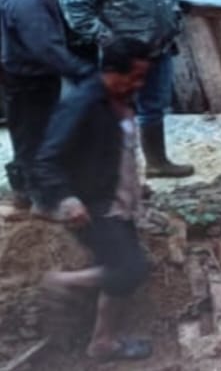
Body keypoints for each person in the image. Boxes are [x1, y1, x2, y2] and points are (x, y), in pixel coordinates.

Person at [32, 36, 155, 361]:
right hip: (94, 205)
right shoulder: (83, 103)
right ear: (112, 72)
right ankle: (62, 282)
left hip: (120, 200)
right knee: (130, 269)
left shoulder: (123, 98)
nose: (140, 84)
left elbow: (119, 149)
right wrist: (67, 198)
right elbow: (45, 159)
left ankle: (103, 342)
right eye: (135, 76)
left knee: (119, 271)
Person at [62, 0, 193, 179]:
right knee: (115, 110)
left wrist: (173, 11)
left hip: (159, 44)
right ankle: (111, 172)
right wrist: (104, 38)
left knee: (154, 105)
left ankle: (157, 162)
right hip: (123, 52)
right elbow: (73, 1)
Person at [1, 0, 91, 212]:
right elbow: (48, 51)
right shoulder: (30, 3)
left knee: (25, 135)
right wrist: (85, 72)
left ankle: (22, 192)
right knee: (37, 139)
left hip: (15, 71)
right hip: (31, 78)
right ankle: (45, 202)